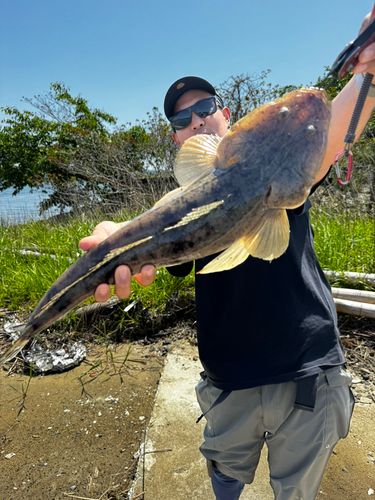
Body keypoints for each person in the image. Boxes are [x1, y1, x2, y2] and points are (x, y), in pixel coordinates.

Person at [79, 12, 375, 500]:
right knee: (225, 475)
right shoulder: (188, 199)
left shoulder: (282, 163)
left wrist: (368, 71)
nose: (195, 119)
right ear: (176, 139)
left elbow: (334, 123)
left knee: (296, 491)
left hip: (309, 374)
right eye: (180, 119)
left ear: (227, 117)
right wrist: (109, 236)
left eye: (206, 108)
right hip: (228, 380)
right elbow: (146, 223)